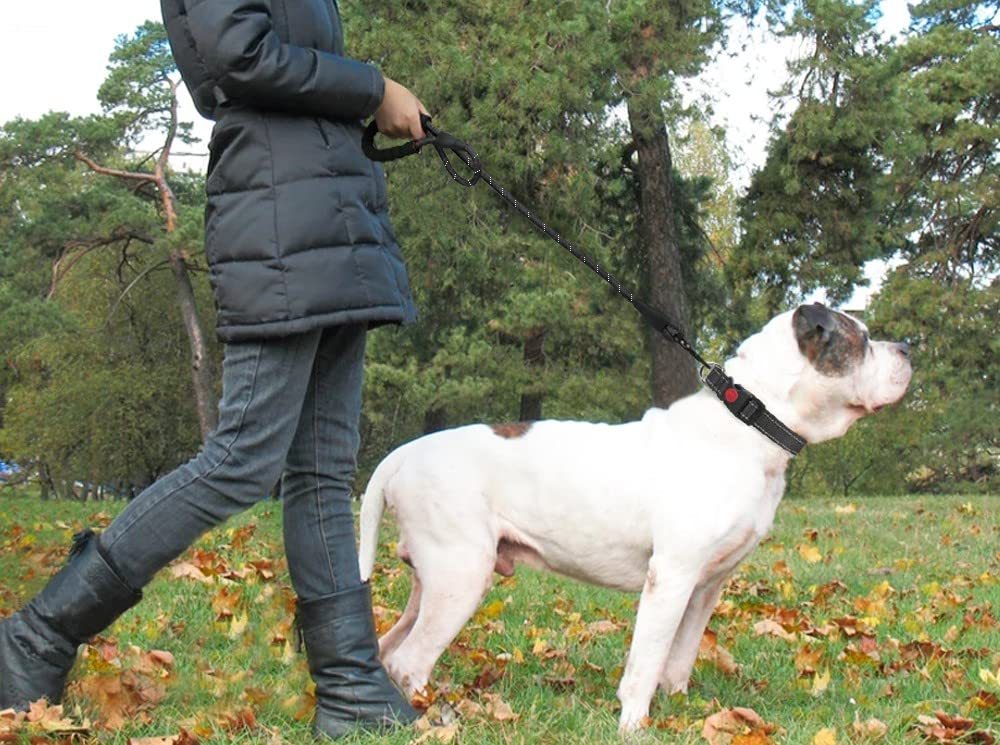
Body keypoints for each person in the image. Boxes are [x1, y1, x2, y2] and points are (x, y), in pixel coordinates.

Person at [0, 0, 429, 739]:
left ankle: (352, 688)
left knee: (323, 468)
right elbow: (239, 59)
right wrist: (373, 88)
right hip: (277, 222)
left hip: (330, 218)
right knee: (242, 457)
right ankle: (36, 634)